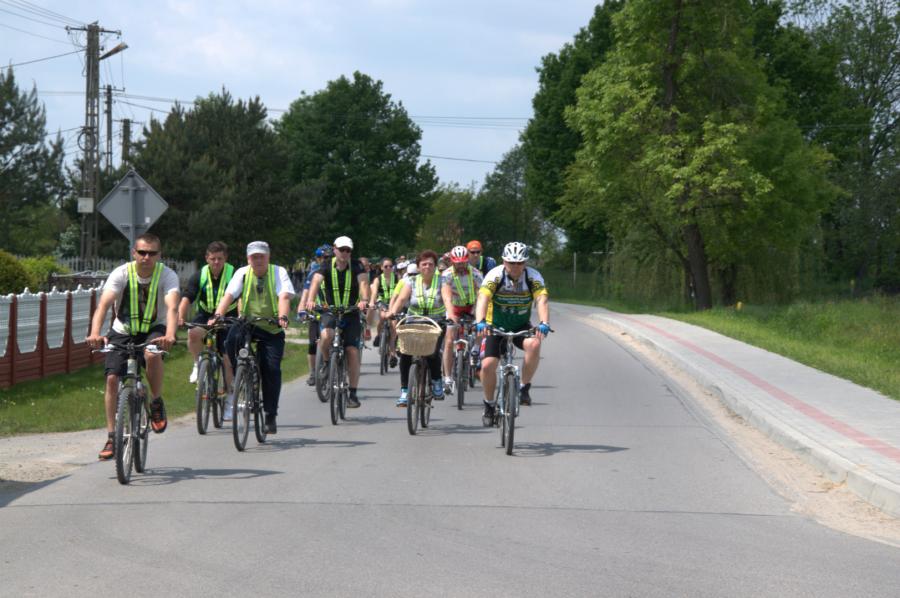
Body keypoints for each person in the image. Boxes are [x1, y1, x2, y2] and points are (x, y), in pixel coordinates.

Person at [86, 233, 180, 460]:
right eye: (142, 252)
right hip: (123, 330)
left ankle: (156, 401)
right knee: (111, 379)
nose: (146, 257)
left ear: (159, 255)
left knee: (152, 355)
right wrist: (95, 333)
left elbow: (172, 307)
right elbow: (104, 305)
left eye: (152, 253)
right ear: (134, 253)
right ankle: (112, 436)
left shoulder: (167, 275)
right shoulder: (121, 273)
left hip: (154, 329)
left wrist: (169, 334)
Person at [212, 241, 294, 434]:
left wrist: (283, 317)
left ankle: (270, 415)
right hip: (248, 323)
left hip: (271, 327)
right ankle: (242, 372)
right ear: (248, 259)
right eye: (254, 257)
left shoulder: (278, 272)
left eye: (261, 256)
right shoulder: (242, 273)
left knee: (271, 369)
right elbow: (229, 295)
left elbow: (284, 296)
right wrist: (218, 315)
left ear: (268, 257)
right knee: (231, 341)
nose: (258, 260)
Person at [475, 241, 550, 425]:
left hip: (520, 325)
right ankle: (489, 404)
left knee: (535, 343)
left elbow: (541, 299)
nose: (515, 266)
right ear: (504, 261)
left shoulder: (533, 277)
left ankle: (524, 387)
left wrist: (544, 322)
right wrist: (480, 321)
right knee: (487, 366)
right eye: (511, 262)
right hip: (495, 326)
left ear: (525, 263)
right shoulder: (495, 275)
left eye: (519, 263)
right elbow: (483, 297)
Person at [305, 235, 370, 408]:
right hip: (330, 311)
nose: (345, 253)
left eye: (348, 250)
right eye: (342, 249)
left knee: (352, 351)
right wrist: (310, 300)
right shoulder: (326, 265)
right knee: (326, 335)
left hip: (351, 312)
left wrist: (364, 300)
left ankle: (353, 393)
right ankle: (327, 363)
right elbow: (316, 282)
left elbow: (364, 283)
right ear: (335, 250)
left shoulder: (357, 266)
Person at [178, 241, 237, 399]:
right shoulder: (200, 275)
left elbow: (241, 297)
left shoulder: (233, 274)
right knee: (193, 333)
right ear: (207, 258)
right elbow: (187, 297)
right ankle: (198, 363)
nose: (216, 262)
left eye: (220, 258)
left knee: (227, 357)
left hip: (229, 316)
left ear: (225, 258)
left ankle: (230, 396)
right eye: (213, 258)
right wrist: (181, 316)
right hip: (205, 315)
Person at [388, 250, 446, 406]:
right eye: (424, 264)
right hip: (413, 322)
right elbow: (402, 299)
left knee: (432, 353)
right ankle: (405, 391)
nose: (427, 267)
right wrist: (392, 312)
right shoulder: (411, 281)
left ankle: (436, 381)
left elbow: (448, 299)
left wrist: (451, 316)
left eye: (431, 264)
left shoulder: (442, 281)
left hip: (436, 322)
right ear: (418, 267)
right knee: (405, 353)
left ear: (435, 267)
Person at [440, 245, 483, 394]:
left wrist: (478, 312)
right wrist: (451, 315)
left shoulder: (476, 273)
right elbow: (446, 296)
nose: (460, 265)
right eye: (457, 263)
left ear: (467, 260)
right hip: (454, 308)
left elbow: (482, 294)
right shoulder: (447, 274)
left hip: (471, 307)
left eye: (463, 262)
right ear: (452, 261)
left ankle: (476, 350)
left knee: (481, 325)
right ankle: (447, 378)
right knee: (449, 340)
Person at [296, 245, 329, 386]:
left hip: (332, 313)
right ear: (318, 259)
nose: (324, 260)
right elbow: (305, 294)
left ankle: (338, 364)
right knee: (311, 344)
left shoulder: (337, 272)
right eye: (322, 257)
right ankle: (313, 373)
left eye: (327, 257)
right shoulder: (313, 274)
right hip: (316, 313)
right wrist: (301, 310)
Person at [369, 256, 399, 368]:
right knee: (382, 317)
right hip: (382, 302)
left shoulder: (397, 278)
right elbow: (374, 293)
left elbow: (401, 292)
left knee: (394, 325)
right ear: (381, 267)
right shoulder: (377, 279)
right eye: (386, 266)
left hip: (394, 304)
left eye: (390, 266)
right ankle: (378, 335)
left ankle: (392, 352)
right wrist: (372, 302)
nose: (388, 268)